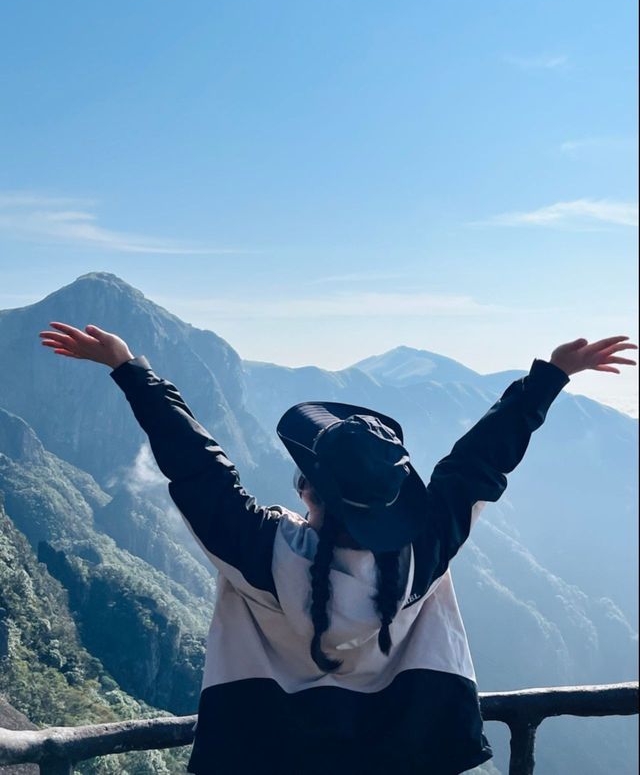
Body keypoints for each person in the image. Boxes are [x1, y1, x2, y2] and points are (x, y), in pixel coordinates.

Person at [38, 323, 637, 775]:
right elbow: (478, 464)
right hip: (402, 755)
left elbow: (196, 465)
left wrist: (128, 369)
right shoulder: (422, 551)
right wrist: (548, 379)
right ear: (400, 497)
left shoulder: (258, 551)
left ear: (306, 489)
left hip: (269, 756)